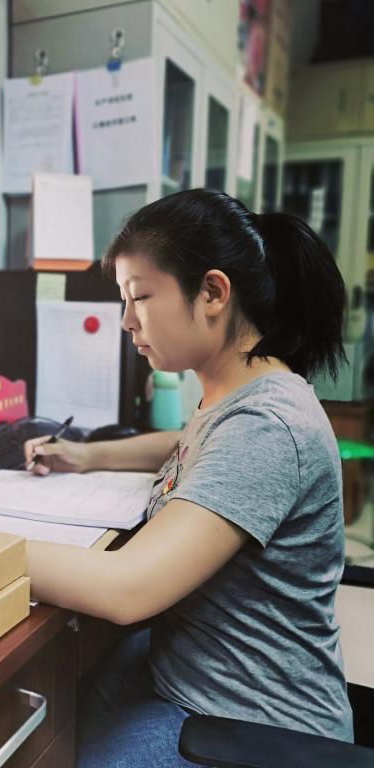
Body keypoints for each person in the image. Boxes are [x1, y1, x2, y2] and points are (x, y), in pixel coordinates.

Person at [23, 189, 353, 768]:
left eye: (140, 297)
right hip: (199, 677)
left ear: (213, 293)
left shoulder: (266, 426)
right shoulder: (240, 392)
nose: (127, 320)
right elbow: (192, 446)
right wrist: (87, 456)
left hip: (249, 725)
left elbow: (126, 588)